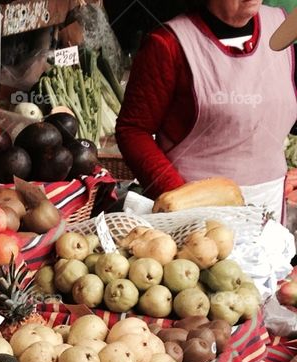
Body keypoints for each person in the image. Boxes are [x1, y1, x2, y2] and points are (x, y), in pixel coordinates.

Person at [116, 0, 297, 220]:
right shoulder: (168, 45)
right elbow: (133, 130)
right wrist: (178, 196)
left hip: (268, 207)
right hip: (195, 216)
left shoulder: (282, 27)